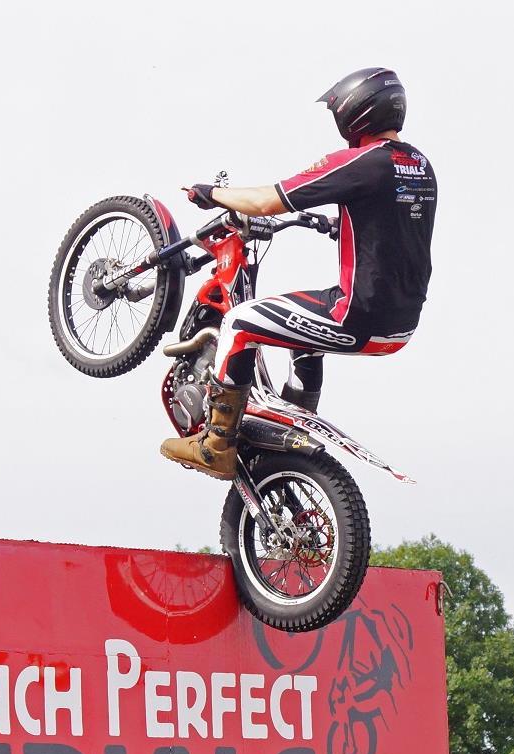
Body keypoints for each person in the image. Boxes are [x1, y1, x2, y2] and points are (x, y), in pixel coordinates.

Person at [161, 67, 437, 480]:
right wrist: (335, 226)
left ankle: (216, 444)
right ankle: (292, 418)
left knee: (239, 322)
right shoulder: (419, 164)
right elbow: (389, 225)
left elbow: (268, 200)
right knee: (303, 330)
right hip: (400, 327)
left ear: (353, 114)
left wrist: (211, 193)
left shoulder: (361, 162)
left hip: (356, 318)